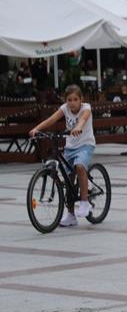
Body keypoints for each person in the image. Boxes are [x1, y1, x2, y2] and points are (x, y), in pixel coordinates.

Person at [29, 84, 95, 227]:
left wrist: (78, 127)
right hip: (70, 147)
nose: (72, 103)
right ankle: (70, 215)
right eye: (69, 100)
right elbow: (52, 119)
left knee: (79, 166)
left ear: (81, 99)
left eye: (75, 99)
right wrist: (37, 128)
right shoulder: (65, 108)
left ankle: (84, 202)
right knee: (68, 179)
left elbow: (83, 119)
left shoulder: (86, 108)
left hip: (85, 145)